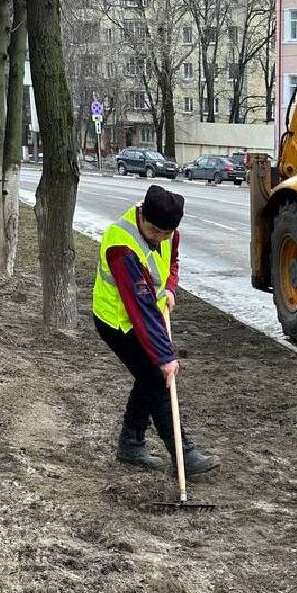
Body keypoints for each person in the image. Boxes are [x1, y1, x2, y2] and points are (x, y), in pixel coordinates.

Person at [92, 185, 219, 475]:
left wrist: (171, 289)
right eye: (155, 232)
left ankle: (131, 443)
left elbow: (171, 262)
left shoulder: (168, 230)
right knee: (156, 377)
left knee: (149, 377)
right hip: (116, 320)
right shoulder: (122, 245)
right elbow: (141, 308)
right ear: (143, 217)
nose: (160, 238)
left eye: (166, 233)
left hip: (143, 311)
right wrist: (165, 356)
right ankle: (182, 454)